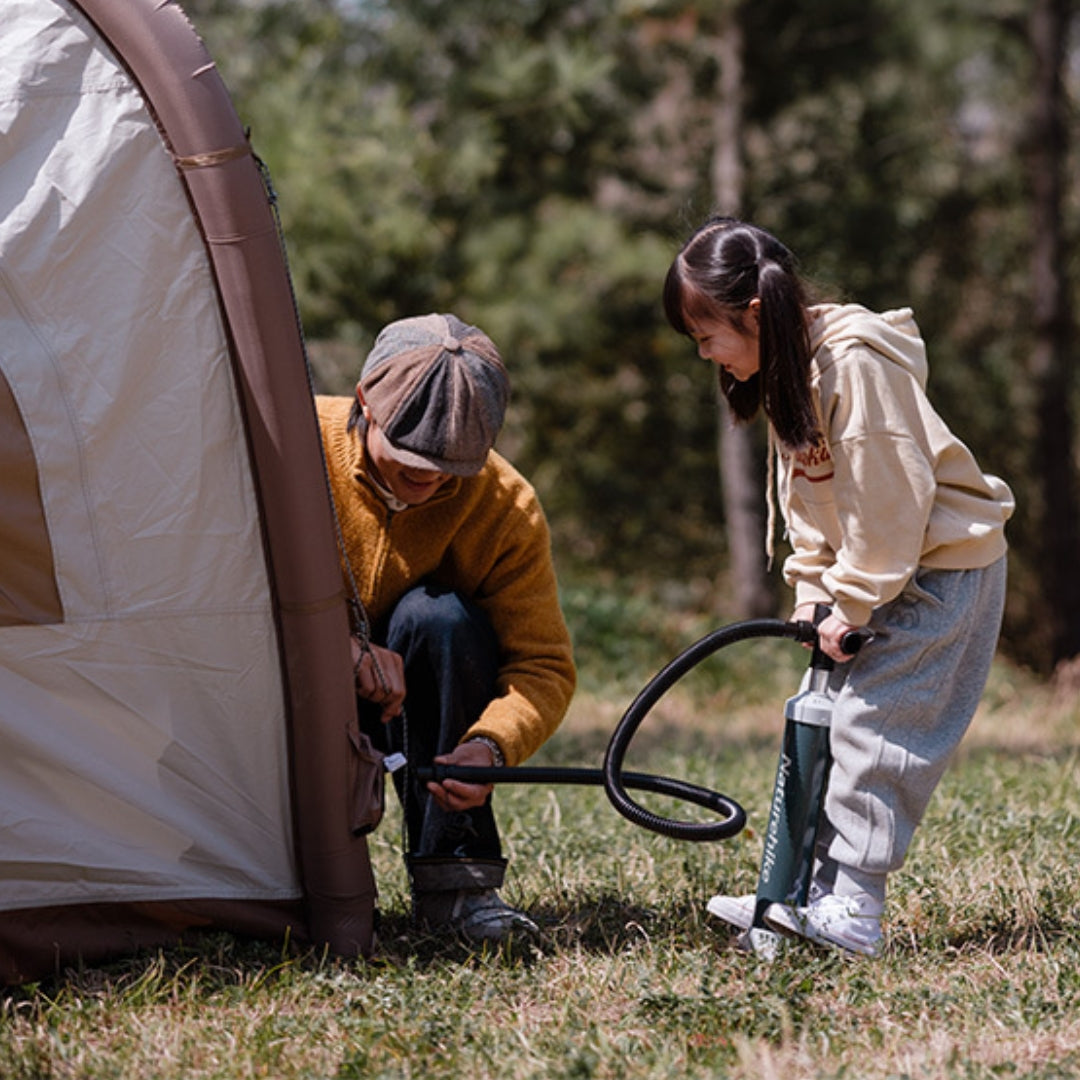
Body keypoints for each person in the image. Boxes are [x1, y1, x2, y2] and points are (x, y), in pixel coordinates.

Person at [663, 218, 1014, 957]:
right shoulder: (789, 369)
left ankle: (853, 912)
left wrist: (849, 599)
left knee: (876, 732)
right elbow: (809, 496)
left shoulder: (853, 365)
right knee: (821, 721)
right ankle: (801, 899)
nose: (707, 356)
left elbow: (891, 508)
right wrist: (812, 590)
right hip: (883, 573)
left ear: (753, 314)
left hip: (941, 571)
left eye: (707, 337)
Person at [316, 313, 576, 944]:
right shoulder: (287, 444)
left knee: (440, 617)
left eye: (450, 467)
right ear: (364, 403)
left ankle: (457, 886)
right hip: (278, 686)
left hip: (417, 711)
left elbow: (543, 666)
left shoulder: (503, 505)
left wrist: (491, 746)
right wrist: (336, 652)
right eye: (410, 458)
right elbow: (208, 589)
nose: (428, 478)